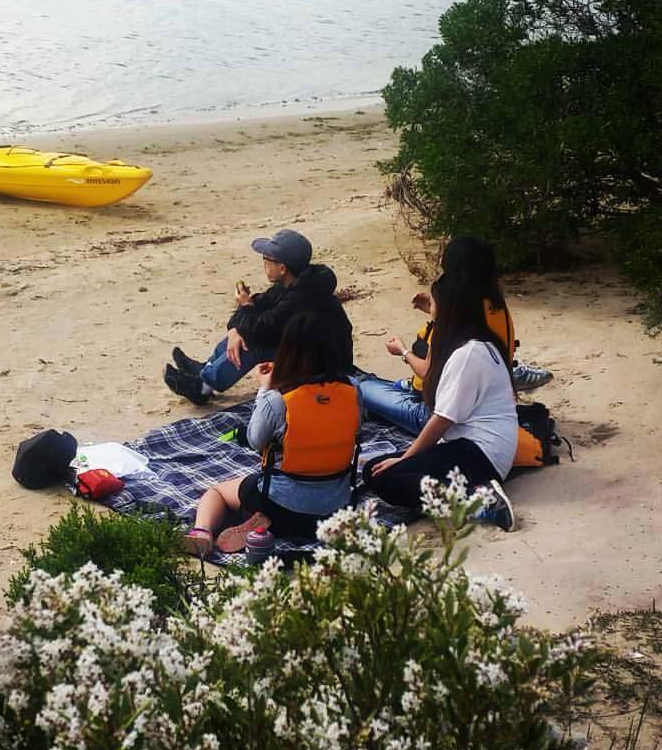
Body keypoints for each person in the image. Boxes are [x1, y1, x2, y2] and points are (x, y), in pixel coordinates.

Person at [182, 312, 361, 558]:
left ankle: (202, 532)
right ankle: (270, 523)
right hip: (337, 507)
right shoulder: (353, 389)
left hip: (281, 504)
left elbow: (256, 440)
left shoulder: (278, 398)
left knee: (217, 492)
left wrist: (265, 389)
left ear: (287, 350)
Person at [361, 272, 518, 530]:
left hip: (480, 454)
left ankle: (477, 500)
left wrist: (404, 459)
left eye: (433, 304)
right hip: (477, 449)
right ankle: (472, 490)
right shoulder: (478, 342)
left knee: (388, 476)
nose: (429, 310)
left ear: (447, 311)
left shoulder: (468, 354)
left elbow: (441, 420)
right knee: (375, 470)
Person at [357, 235, 547, 434]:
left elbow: (428, 373)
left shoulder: (454, 322)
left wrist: (403, 351)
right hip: (489, 403)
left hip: (437, 414)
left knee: (364, 387)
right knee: (387, 386)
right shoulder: (496, 304)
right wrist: (433, 308)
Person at [165, 228, 354, 405]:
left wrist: (245, 307)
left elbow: (261, 329)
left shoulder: (303, 296)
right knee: (241, 333)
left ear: (282, 268)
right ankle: (205, 371)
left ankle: (203, 388)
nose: (263, 264)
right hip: (305, 352)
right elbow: (258, 305)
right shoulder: (293, 283)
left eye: (266, 259)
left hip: (325, 366)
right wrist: (234, 328)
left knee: (251, 344)